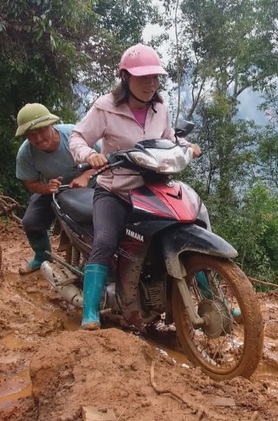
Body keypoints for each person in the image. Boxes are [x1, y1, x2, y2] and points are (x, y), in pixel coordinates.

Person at [68, 44, 202, 330]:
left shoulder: (160, 107)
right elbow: (78, 137)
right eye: (143, 78)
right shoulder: (105, 107)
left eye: (154, 78)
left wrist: (187, 146)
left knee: (191, 227)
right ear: (125, 77)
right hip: (115, 191)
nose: (150, 84)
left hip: (154, 187)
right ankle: (90, 311)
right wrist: (89, 154)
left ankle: (210, 298)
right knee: (105, 241)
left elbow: (167, 138)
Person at [15, 103, 99, 275]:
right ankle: (42, 257)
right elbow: (30, 182)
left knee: (101, 223)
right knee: (31, 222)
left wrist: (85, 176)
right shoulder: (26, 153)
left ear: (51, 125)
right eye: (31, 135)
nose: (38, 138)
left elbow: (102, 159)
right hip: (56, 190)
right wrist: (46, 188)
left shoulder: (74, 135)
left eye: (41, 131)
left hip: (92, 187)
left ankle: (97, 263)